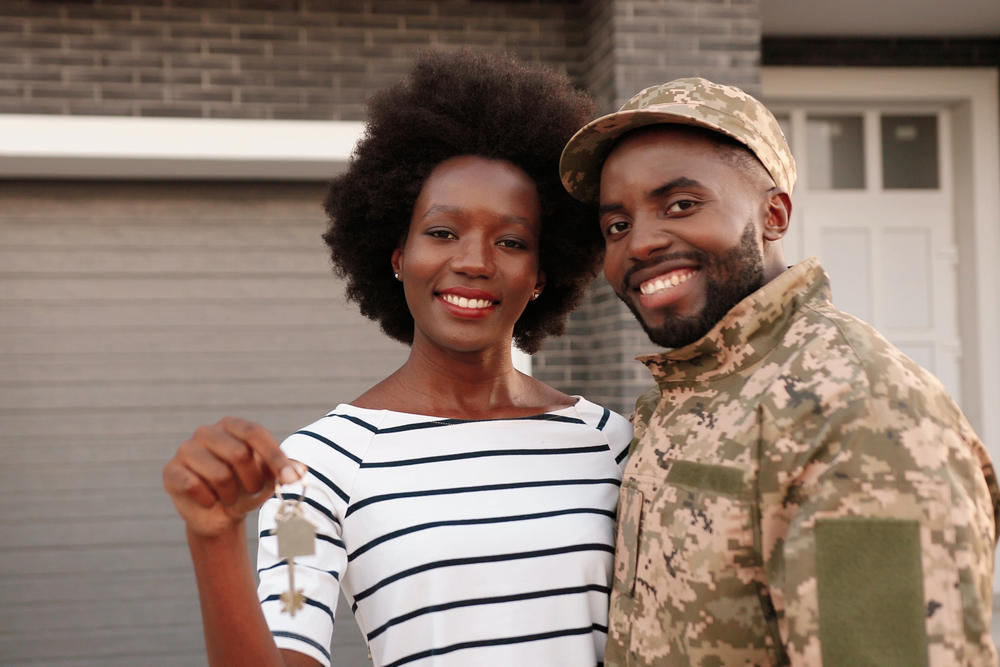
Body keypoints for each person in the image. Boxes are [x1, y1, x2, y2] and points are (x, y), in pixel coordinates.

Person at [162, 50, 633, 667]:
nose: (474, 262)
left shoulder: (609, 443)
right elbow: (290, 640)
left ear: (542, 274)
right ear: (396, 254)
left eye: (511, 241)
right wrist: (214, 539)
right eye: (442, 232)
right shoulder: (316, 467)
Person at [558, 77, 1000, 665]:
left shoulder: (855, 410)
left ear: (773, 215)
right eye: (617, 225)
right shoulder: (690, 392)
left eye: (681, 205)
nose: (638, 244)